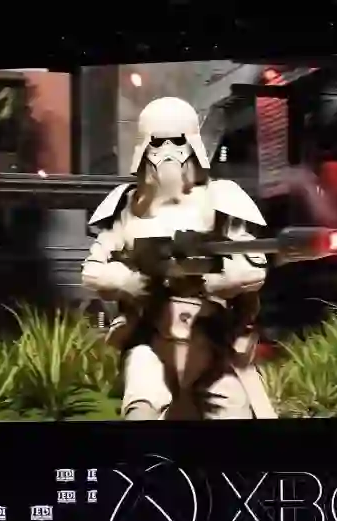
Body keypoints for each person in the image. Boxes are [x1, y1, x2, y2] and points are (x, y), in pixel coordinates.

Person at [82, 97, 277, 420]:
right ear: (144, 146)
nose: (168, 151)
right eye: (158, 142)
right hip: (152, 338)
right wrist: (131, 282)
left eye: (177, 141)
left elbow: (254, 268)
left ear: (193, 144)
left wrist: (212, 280)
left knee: (234, 411)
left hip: (209, 338)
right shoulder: (128, 206)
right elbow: (92, 270)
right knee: (141, 406)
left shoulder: (220, 197)